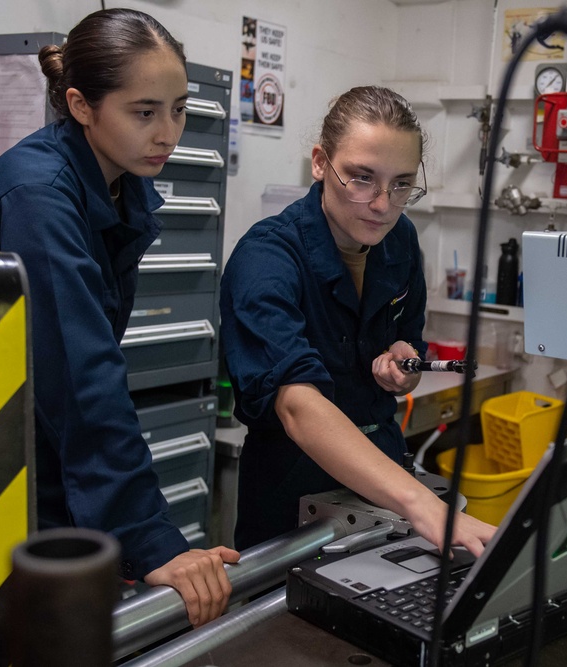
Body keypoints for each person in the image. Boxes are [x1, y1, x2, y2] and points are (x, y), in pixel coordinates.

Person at [0, 8, 239, 627]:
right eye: (145, 112)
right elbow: (84, 380)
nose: (170, 132)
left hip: (55, 454)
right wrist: (150, 538)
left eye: (179, 108)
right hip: (7, 468)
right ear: (82, 105)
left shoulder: (117, 180)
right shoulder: (38, 198)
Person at [220, 86, 496, 556]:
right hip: (294, 486)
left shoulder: (399, 239)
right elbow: (297, 406)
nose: (383, 205)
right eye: (362, 178)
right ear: (320, 163)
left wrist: (403, 362)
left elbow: (408, 337)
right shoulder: (266, 258)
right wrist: (420, 504)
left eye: (402, 184)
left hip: (383, 474)